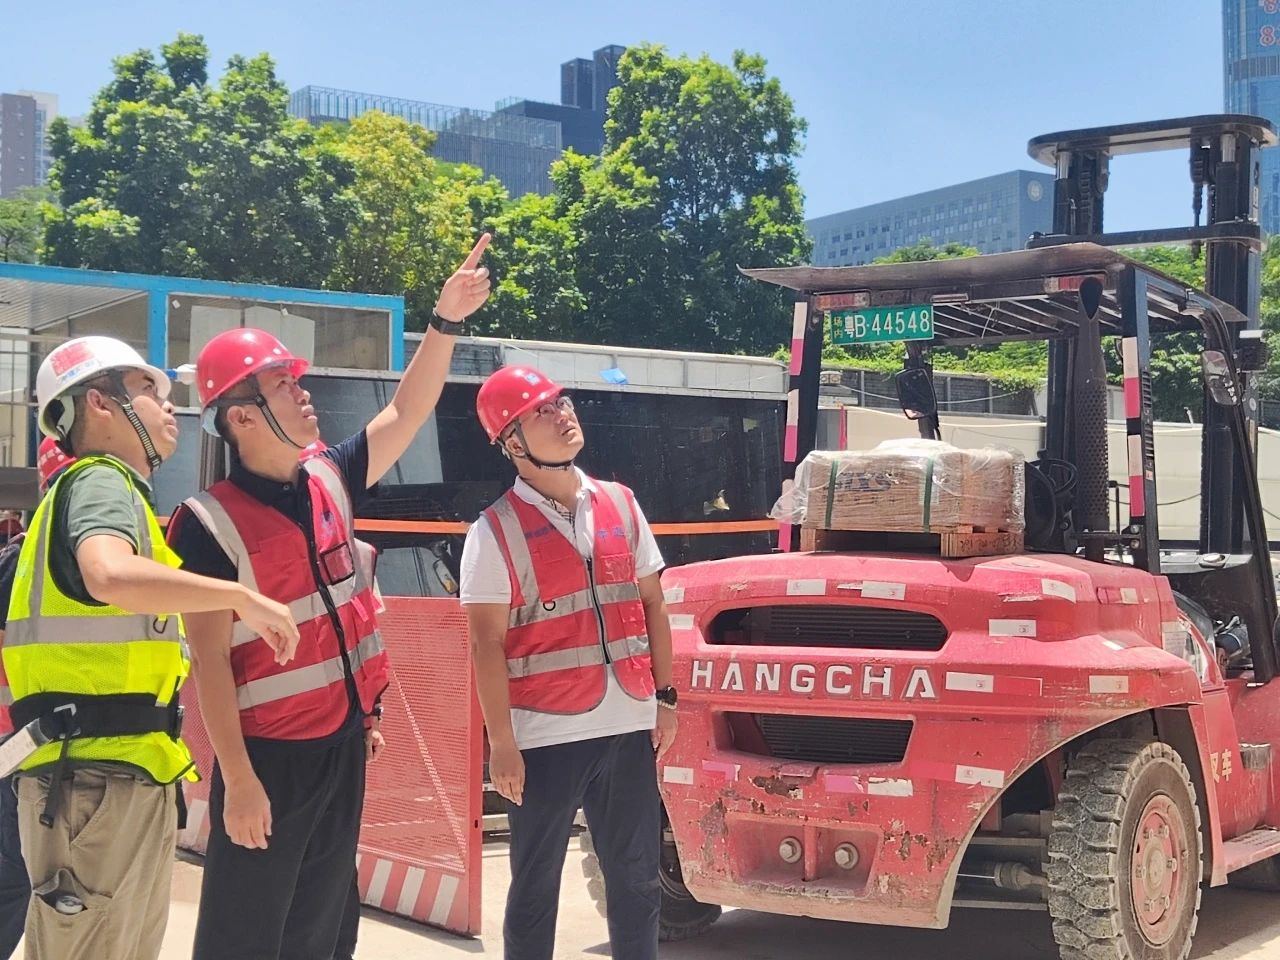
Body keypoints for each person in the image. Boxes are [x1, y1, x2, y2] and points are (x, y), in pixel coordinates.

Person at [168, 235, 492, 960]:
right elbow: (209, 667)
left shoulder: (329, 478)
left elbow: (405, 412)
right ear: (242, 416)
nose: (302, 391)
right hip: (269, 762)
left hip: (343, 747)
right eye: (283, 384)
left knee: (322, 931)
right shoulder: (208, 524)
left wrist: (443, 321)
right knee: (243, 939)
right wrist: (239, 782)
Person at [1, 336, 298, 960]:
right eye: (147, 389)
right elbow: (108, 572)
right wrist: (239, 596)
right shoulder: (100, 481)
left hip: (106, 776)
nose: (168, 405)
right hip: (93, 781)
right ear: (99, 404)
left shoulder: (109, 493)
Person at [461, 365, 678, 960]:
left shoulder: (620, 503)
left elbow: (653, 604)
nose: (562, 414)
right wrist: (503, 745)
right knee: (535, 887)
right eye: (541, 410)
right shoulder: (493, 531)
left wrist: (665, 698)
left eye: (561, 402)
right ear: (511, 442)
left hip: (628, 723)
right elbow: (485, 645)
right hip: (544, 736)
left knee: (637, 880)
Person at [0, 439, 74, 959]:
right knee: (17, 877)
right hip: (22, 750)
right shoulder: (26, 563)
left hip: (34, 748)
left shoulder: (25, 559)